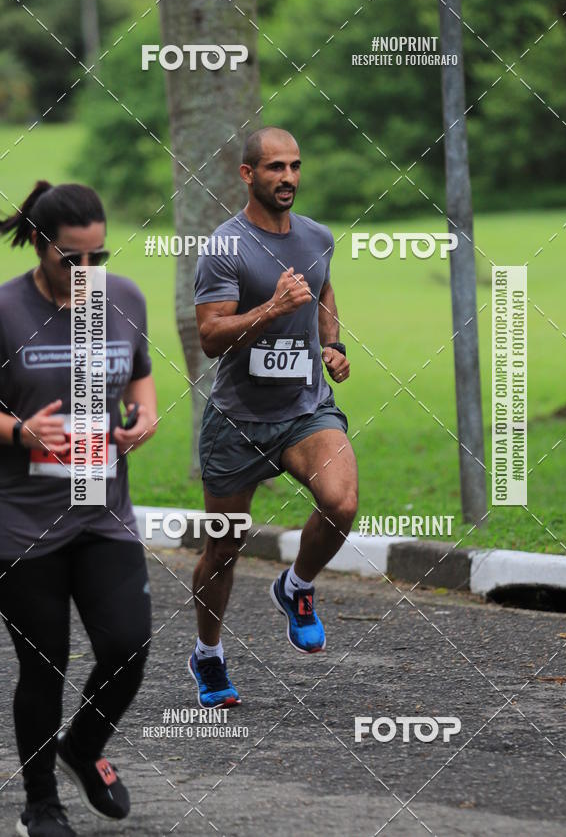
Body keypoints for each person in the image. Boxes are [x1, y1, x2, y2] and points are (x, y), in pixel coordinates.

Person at [0, 182, 157, 837]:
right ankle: (41, 800)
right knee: (46, 665)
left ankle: (82, 749)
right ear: (40, 244)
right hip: (21, 521)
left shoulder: (121, 298)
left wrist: (145, 413)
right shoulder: (4, 310)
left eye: (98, 256)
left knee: (127, 644)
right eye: (73, 259)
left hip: (101, 507)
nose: (88, 272)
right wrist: (18, 433)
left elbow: (139, 369)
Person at [189, 127, 358, 709]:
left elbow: (323, 291)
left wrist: (332, 344)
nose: (287, 178)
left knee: (341, 503)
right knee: (224, 548)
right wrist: (272, 308)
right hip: (238, 420)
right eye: (274, 168)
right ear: (247, 174)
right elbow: (210, 337)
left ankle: (297, 586)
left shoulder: (316, 236)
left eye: (294, 166)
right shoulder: (226, 247)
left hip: (305, 408)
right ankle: (208, 654)